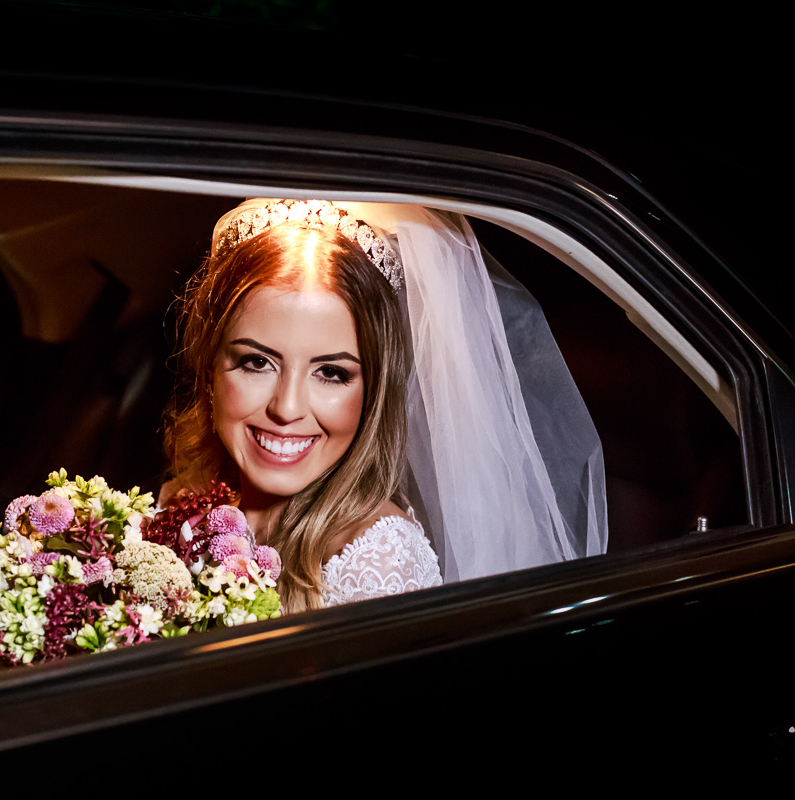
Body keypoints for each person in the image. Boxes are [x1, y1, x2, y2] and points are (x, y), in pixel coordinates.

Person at [164, 199, 607, 613]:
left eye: (331, 372)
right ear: (209, 368)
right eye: (257, 363)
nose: (287, 408)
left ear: (373, 390)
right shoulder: (182, 506)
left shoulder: (380, 564)